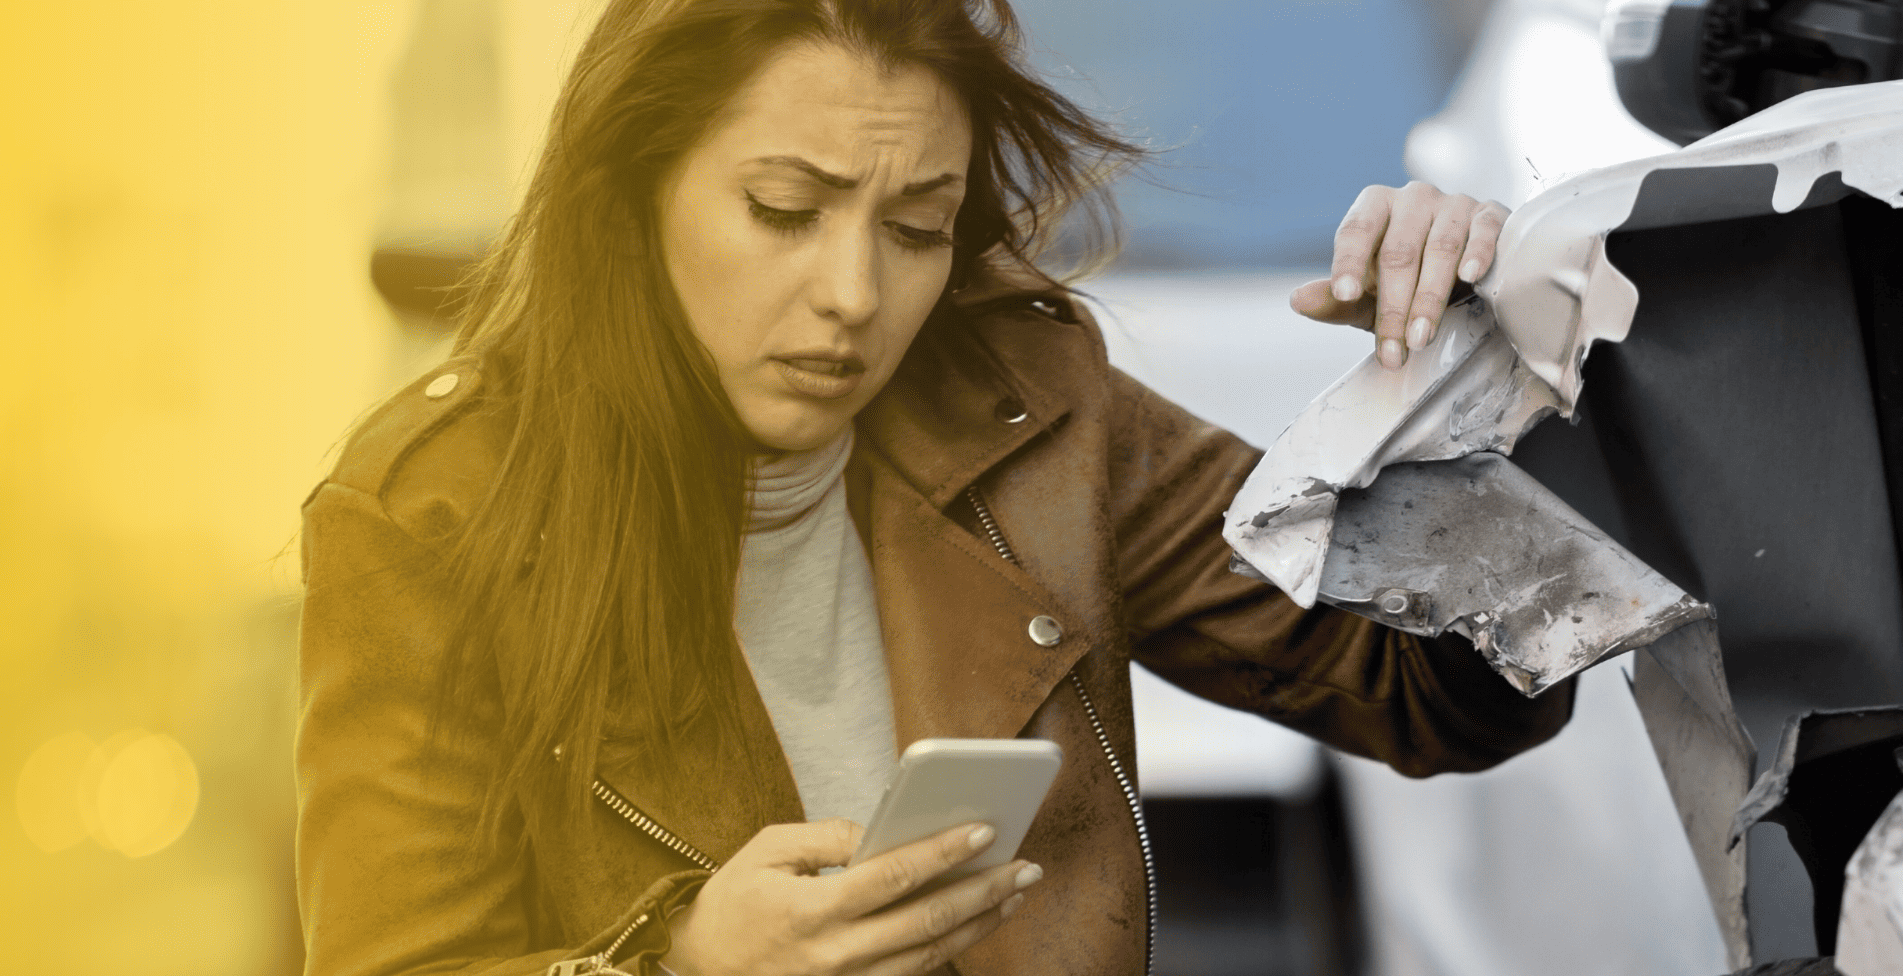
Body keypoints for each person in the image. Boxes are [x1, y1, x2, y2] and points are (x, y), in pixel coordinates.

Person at [294, 1, 1565, 975]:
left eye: (916, 228)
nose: (852, 296)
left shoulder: (1030, 413)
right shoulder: (429, 518)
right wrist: (673, 959)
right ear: (627, 193)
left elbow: (1446, 701)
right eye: (785, 209)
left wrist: (1465, 378)